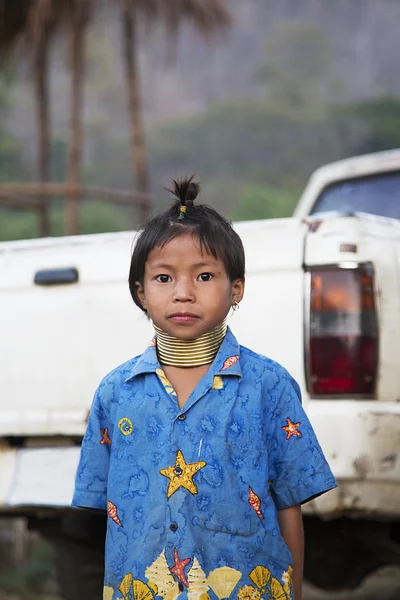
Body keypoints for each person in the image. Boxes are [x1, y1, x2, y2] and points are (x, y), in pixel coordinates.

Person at [73, 177, 337, 600]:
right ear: (140, 293)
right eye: (163, 278)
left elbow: (289, 504)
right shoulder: (115, 393)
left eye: (205, 275)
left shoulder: (268, 386)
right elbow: (107, 514)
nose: (182, 293)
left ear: (237, 289)